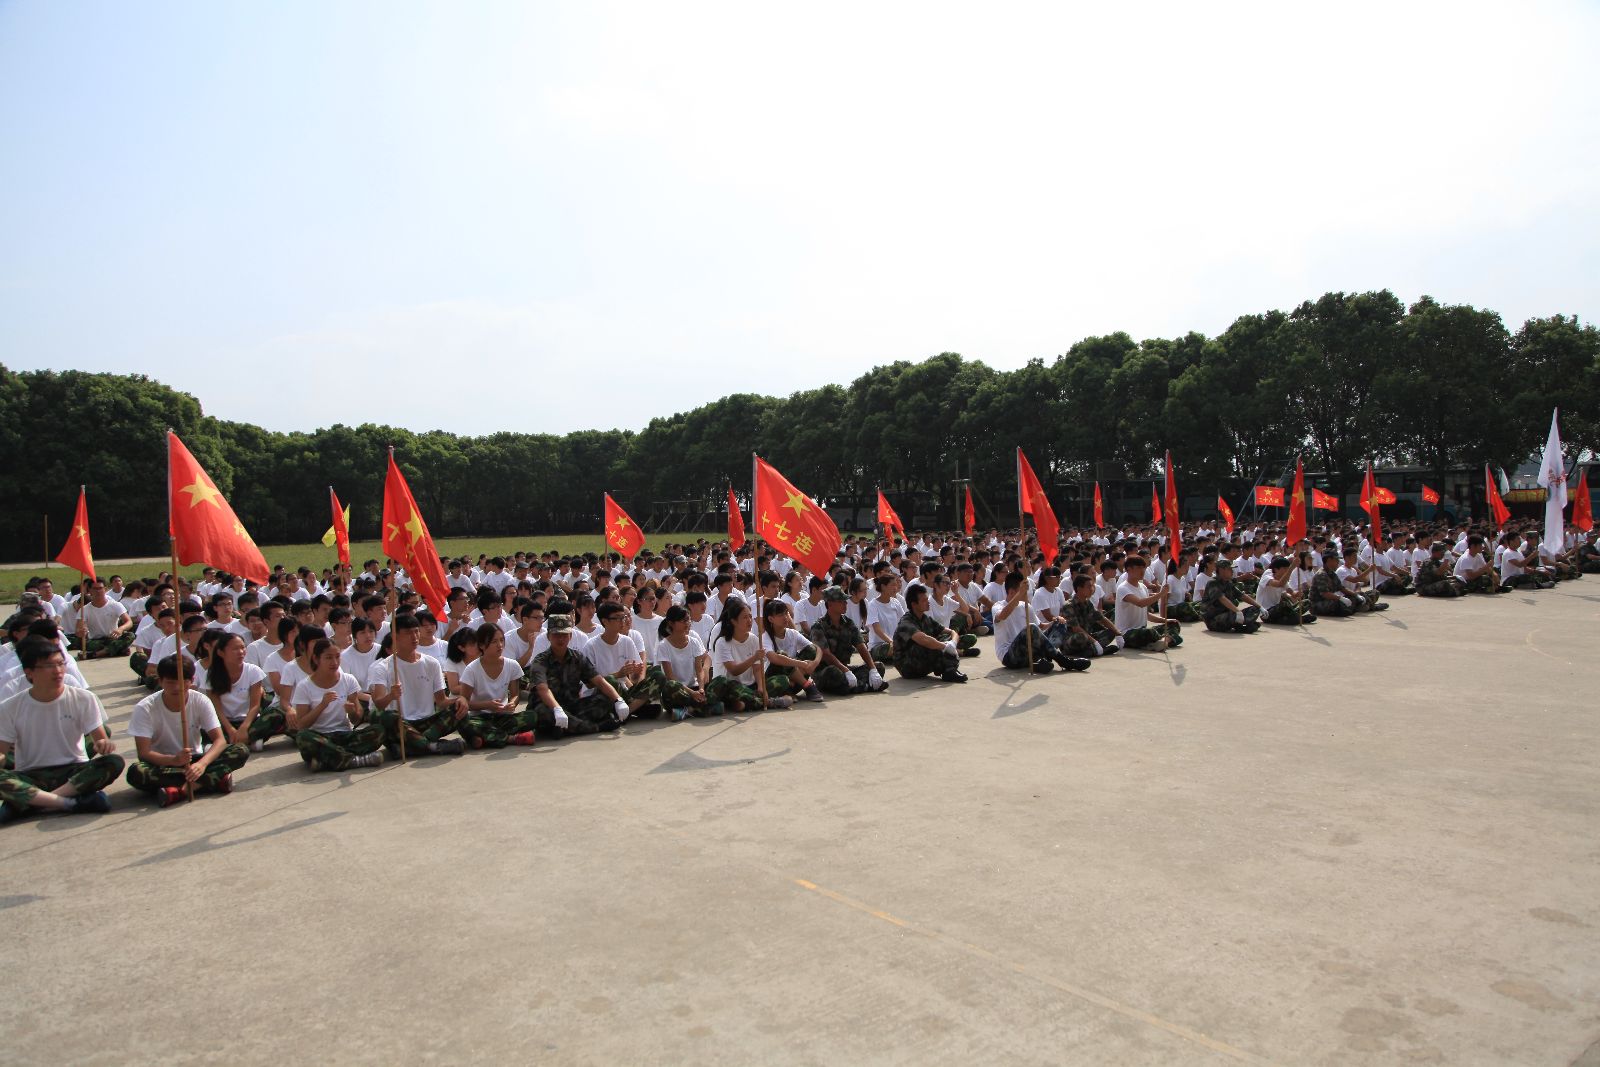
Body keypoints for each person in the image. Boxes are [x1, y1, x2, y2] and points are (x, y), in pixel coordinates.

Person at [0, 638, 122, 823]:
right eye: (49, 666)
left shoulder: (84, 698)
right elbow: (2, 753)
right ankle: (69, 803)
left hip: (73, 771)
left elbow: (100, 739)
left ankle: (33, 802)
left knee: (113, 762)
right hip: (31, 775)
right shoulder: (10, 707)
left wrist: (104, 745)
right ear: (29, 672)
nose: (58, 671)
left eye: (60, 664)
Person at [126, 654, 249, 807]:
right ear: (160, 681)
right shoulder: (145, 708)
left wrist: (202, 764)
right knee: (136, 772)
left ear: (192, 680)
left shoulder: (200, 700)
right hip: (163, 764)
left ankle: (183, 790)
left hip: (195, 760)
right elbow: (144, 753)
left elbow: (219, 740)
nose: (177, 688)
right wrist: (173, 760)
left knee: (240, 750)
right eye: (170, 682)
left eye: (182, 682)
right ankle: (212, 780)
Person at [370, 614, 467, 757]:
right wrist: (391, 696)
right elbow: (378, 704)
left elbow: (441, 701)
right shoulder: (383, 667)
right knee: (384, 717)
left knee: (460, 708)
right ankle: (430, 746)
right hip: (402, 724)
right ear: (395, 636)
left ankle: (413, 746)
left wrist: (460, 700)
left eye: (416, 631)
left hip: (427, 724)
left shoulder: (432, 663)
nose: (414, 637)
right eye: (408, 633)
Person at [525, 614, 632, 737]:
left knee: (605, 700)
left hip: (572, 706)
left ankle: (566, 728)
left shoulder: (577, 657)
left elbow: (599, 681)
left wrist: (618, 700)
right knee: (544, 713)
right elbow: (542, 689)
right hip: (548, 706)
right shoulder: (540, 661)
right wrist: (557, 709)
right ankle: (596, 727)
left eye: (564, 635)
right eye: (556, 635)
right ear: (549, 636)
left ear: (570, 636)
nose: (560, 639)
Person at [290, 638, 384, 770]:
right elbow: (301, 725)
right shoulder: (304, 686)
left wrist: (352, 712)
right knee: (303, 737)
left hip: (344, 734)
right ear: (316, 659)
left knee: (378, 730)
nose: (334, 662)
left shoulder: (348, 680)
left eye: (337, 657)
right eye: (328, 658)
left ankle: (329, 760)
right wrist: (322, 705)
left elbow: (356, 719)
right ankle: (354, 760)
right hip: (321, 737)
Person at [458, 624, 536, 748]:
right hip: (479, 718)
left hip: (502, 716)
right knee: (463, 723)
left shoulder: (512, 665)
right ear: (482, 645)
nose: (500, 645)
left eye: (501, 640)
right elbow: (464, 702)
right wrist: (487, 705)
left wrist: (512, 704)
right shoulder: (472, 669)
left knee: (532, 716)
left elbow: (515, 694)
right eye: (494, 642)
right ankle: (511, 738)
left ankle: (486, 737)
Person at [207, 632, 287, 751]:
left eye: (243, 647)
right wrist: (230, 729)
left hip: (249, 721)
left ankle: (230, 743)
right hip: (224, 723)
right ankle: (248, 741)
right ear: (221, 652)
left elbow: (255, 706)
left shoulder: (253, 671)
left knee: (277, 713)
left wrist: (244, 728)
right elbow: (216, 708)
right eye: (235, 649)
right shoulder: (211, 674)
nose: (241, 652)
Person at [709, 598, 793, 710]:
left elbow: (757, 668)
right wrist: (754, 657)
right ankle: (769, 702)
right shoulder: (722, 642)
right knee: (732, 687)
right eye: (744, 617)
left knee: (783, 680)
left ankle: (746, 702)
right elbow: (734, 670)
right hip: (732, 685)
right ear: (734, 621)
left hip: (750, 685)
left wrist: (761, 687)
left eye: (750, 616)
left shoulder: (754, 639)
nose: (749, 620)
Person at [806, 587, 889, 696]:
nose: (845, 604)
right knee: (833, 672)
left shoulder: (848, 623)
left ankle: (855, 686)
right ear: (830, 604)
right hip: (825, 672)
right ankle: (865, 686)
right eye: (841, 601)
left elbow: (861, 646)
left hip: (845, 669)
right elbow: (826, 654)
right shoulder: (818, 626)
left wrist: (873, 669)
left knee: (878, 666)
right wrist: (845, 671)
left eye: (845, 601)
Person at [891, 584, 968, 683]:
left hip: (922, 662)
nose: (928, 602)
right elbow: (923, 639)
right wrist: (945, 647)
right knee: (930, 644)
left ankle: (950, 670)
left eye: (927, 599)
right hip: (907, 667)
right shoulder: (906, 622)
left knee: (946, 639)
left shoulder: (925, 618)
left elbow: (951, 631)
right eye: (924, 601)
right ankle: (948, 670)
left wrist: (952, 643)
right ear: (914, 604)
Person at [653, 606, 717, 719]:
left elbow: (699, 669)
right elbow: (670, 677)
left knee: (720, 681)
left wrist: (701, 689)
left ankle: (688, 710)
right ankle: (700, 706)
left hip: (694, 688)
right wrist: (692, 694)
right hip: (678, 691)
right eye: (684, 621)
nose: (688, 623)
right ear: (671, 623)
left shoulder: (694, 642)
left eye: (688, 619)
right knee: (671, 685)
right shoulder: (663, 646)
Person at [760, 599, 825, 701]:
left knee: (811, 650)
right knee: (782, 655)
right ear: (771, 619)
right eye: (780, 615)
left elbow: (817, 648)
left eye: (786, 613)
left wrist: (814, 664)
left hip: (794, 680)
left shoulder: (792, 633)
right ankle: (808, 686)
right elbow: (773, 658)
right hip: (775, 679)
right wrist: (802, 664)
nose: (785, 617)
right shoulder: (765, 637)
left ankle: (791, 689)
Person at [1114, 557, 1184, 650]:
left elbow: (1146, 614)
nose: (1142, 571)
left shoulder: (1143, 587)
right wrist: (1161, 594)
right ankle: (1165, 640)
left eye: (1143, 568)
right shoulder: (1123, 588)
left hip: (1142, 629)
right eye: (1139, 568)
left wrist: (1165, 620)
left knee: (1173, 624)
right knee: (1148, 632)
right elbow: (1140, 603)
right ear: (1129, 569)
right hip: (1127, 633)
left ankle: (1162, 641)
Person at [1062, 573, 1123, 656]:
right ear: (1079, 588)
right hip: (1071, 642)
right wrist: (1095, 642)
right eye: (1089, 587)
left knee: (1111, 632)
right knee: (1081, 636)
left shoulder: (1088, 603)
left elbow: (1102, 618)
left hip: (1087, 638)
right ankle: (1095, 650)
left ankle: (1091, 651)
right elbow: (1076, 628)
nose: (1092, 589)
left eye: (1092, 586)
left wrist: (1117, 633)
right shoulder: (1068, 606)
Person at [74, 579, 134, 658]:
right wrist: (81, 632)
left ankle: (97, 654)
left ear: (105, 589)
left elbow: (129, 622)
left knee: (130, 635)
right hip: (96, 641)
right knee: (82, 643)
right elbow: (78, 630)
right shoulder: (84, 610)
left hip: (113, 638)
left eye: (100, 588)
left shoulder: (115, 605)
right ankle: (117, 650)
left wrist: (120, 629)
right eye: (95, 589)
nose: (98, 591)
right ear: (90, 590)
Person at [1200, 559, 1263, 633]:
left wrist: (1260, 607)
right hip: (1214, 619)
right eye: (1229, 569)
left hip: (1228, 614)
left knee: (1255, 609)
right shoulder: (1212, 583)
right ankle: (1242, 625)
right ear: (1221, 570)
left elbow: (1242, 595)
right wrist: (1237, 611)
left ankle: (1241, 625)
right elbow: (1222, 598)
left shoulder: (1228, 583)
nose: (1232, 571)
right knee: (1234, 616)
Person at [1255, 557, 1315, 624]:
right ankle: (1297, 618)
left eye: (1287, 568)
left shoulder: (1283, 579)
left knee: (1307, 602)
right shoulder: (1267, 576)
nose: (1287, 571)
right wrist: (1291, 567)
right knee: (1284, 605)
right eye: (1285, 568)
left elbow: (1292, 593)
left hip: (1280, 611)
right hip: (1266, 612)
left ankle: (1293, 618)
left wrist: (1298, 594)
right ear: (1276, 569)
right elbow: (1279, 584)